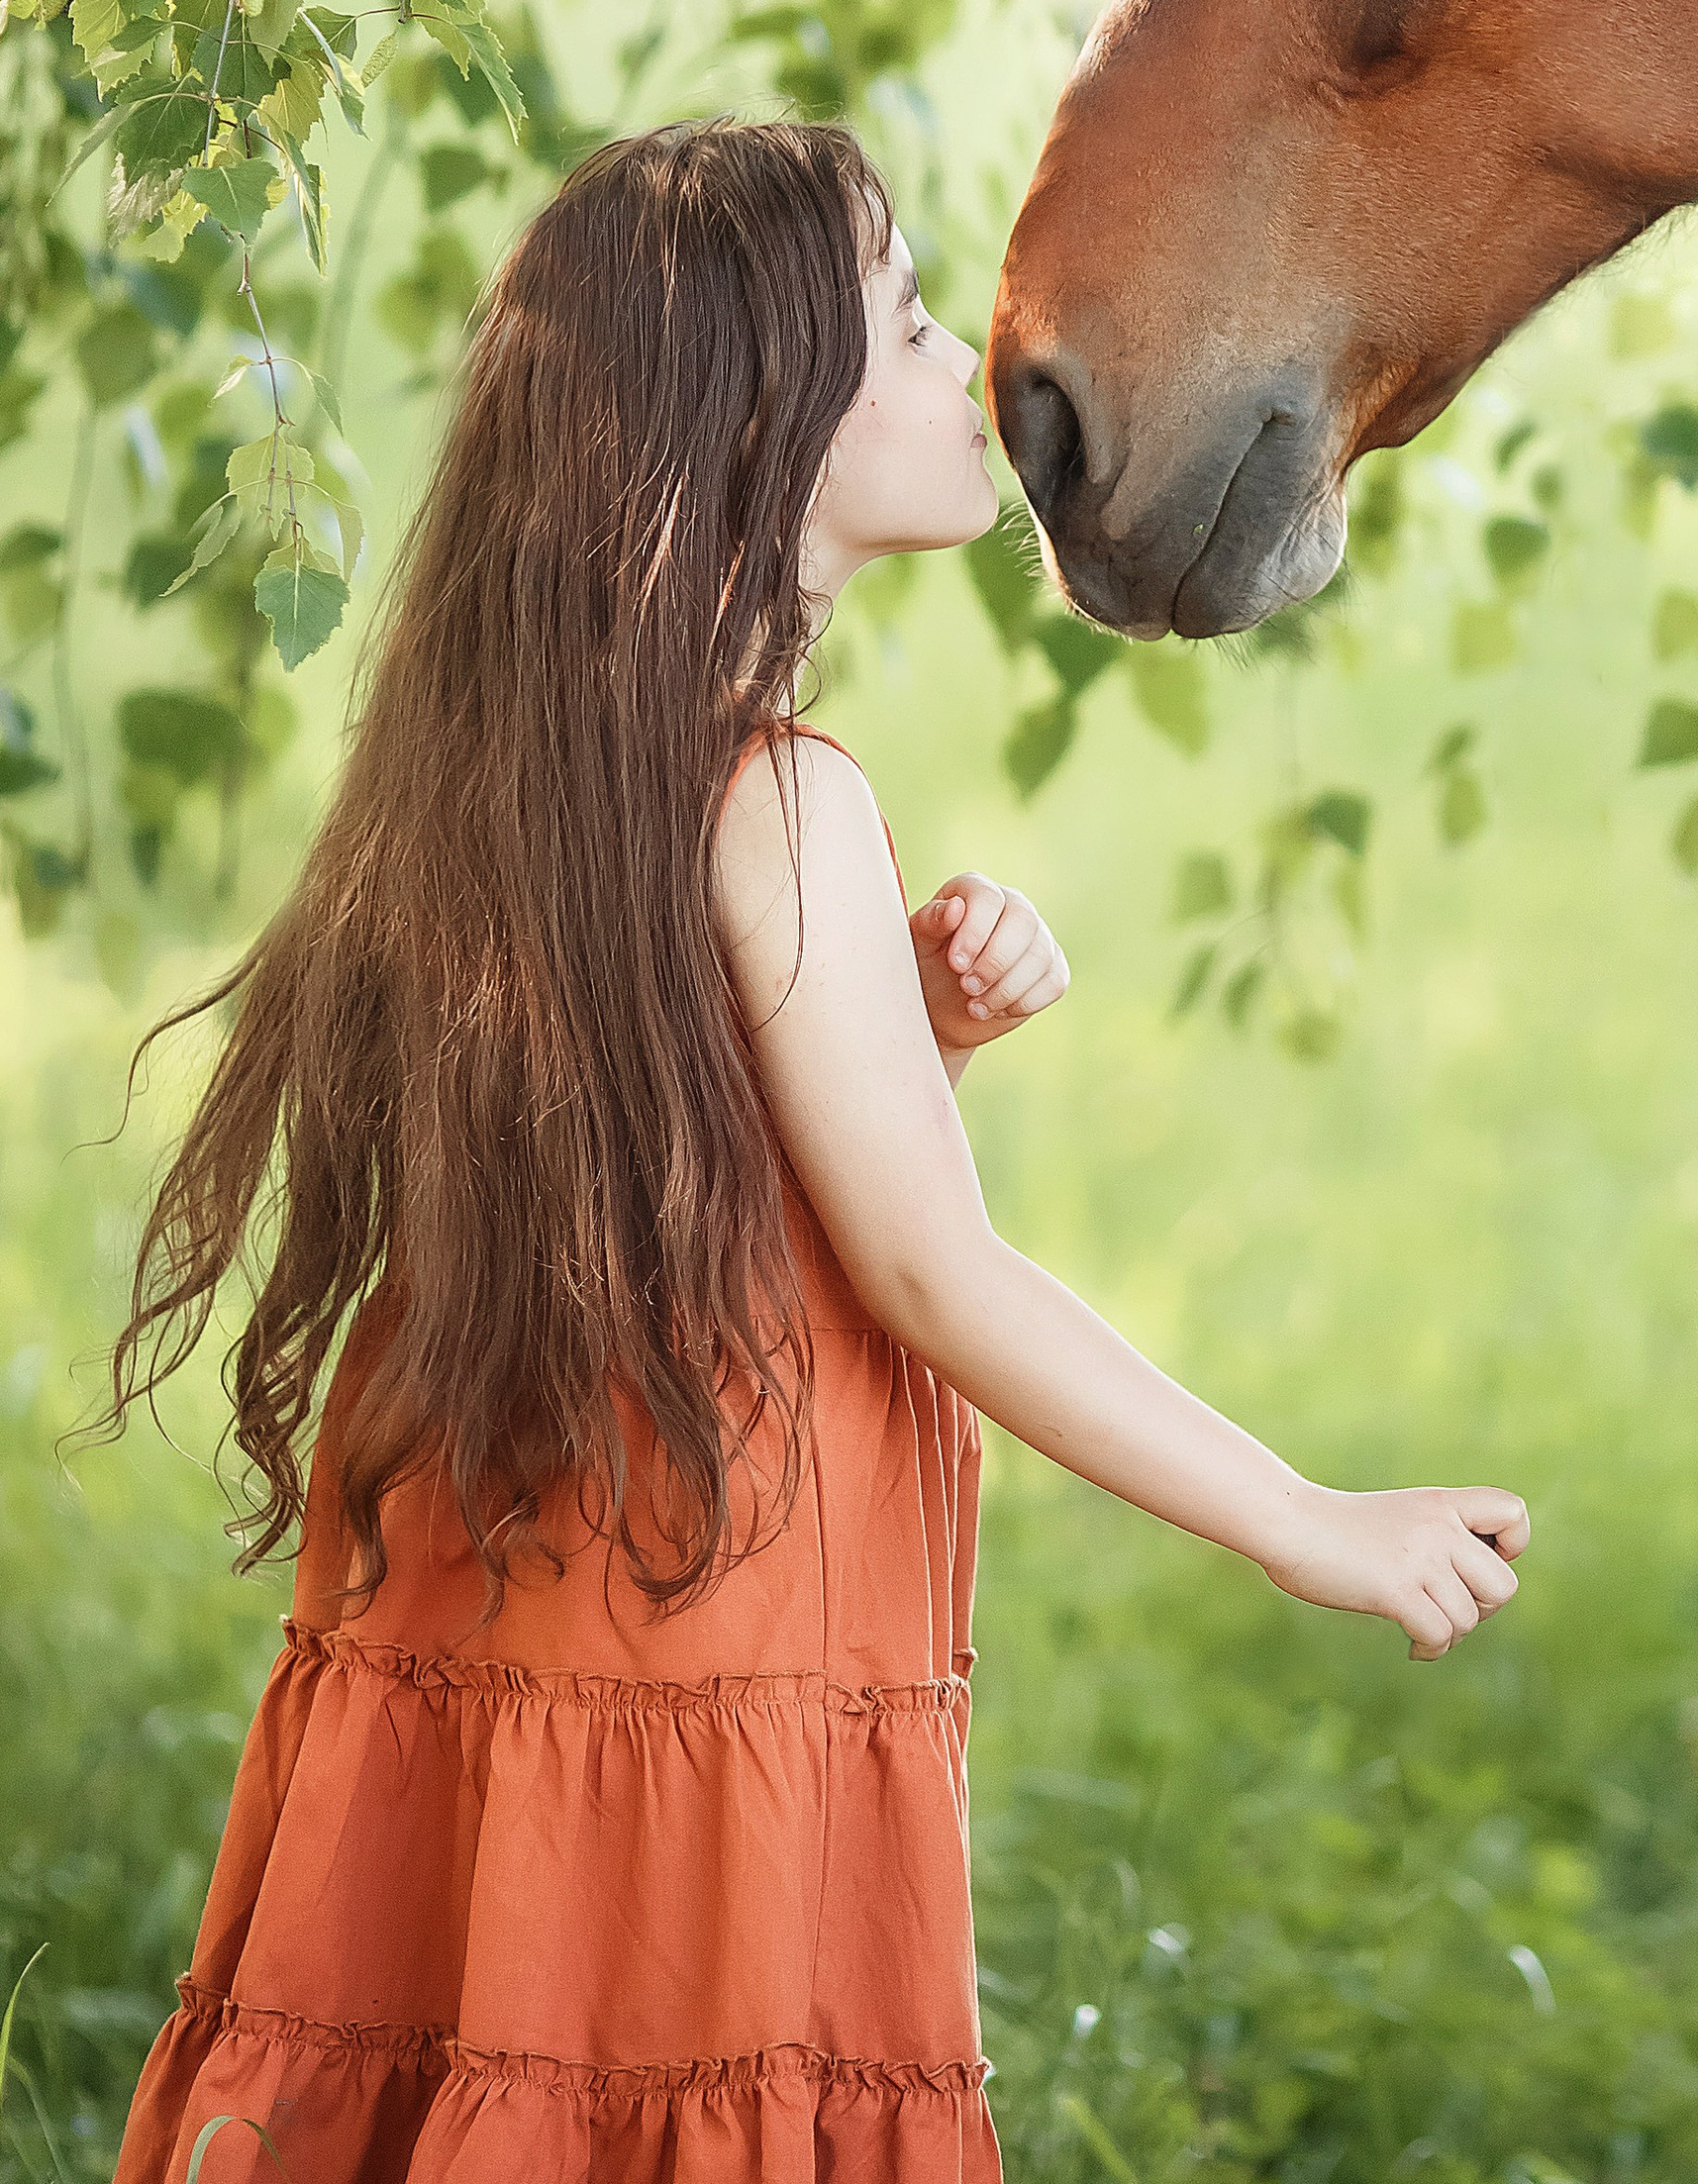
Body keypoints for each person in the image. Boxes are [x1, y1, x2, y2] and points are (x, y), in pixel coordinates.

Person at [93, 117, 1528, 2180]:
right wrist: (1302, 1518)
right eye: (915, 320)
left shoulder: (533, 771)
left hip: (529, 1635)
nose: (972, 366)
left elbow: (659, 1164)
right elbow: (931, 1276)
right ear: (764, 418)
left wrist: (904, 1032)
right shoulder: (776, 803)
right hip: (713, 1649)